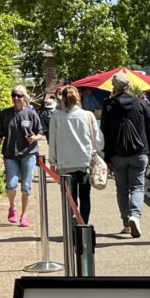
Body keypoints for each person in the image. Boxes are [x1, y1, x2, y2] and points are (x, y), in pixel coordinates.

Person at [100, 71, 150, 238]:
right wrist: (149, 150)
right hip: (139, 152)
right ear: (129, 86)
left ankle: (126, 223)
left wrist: (107, 157)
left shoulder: (108, 105)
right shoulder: (141, 104)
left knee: (121, 189)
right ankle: (135, 216)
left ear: (113, 87)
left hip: (117, 154)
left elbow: (105, 132)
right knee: (138, 186)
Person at [47, 85, 103, 224]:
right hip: (85, 162)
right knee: (85, 196)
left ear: (63, 99)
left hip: (65, 163)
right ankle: (83, 225)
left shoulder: (56, 117)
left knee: (69, 198)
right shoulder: (88, 115)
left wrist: (52, 162)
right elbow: (97, 139)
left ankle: (70, 224)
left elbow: (52, 141)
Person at [0, 85, 42, 226]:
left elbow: (40, 133)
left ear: (24, 98)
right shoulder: (5, 114)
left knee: (26, 186)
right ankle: (12, 206)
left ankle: (24, 214)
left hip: (28, 154)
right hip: (10, 154)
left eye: (19, 96)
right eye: (14, 95)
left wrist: (34, 138)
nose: (16, 98)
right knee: (11, 184)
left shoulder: (31, 114)